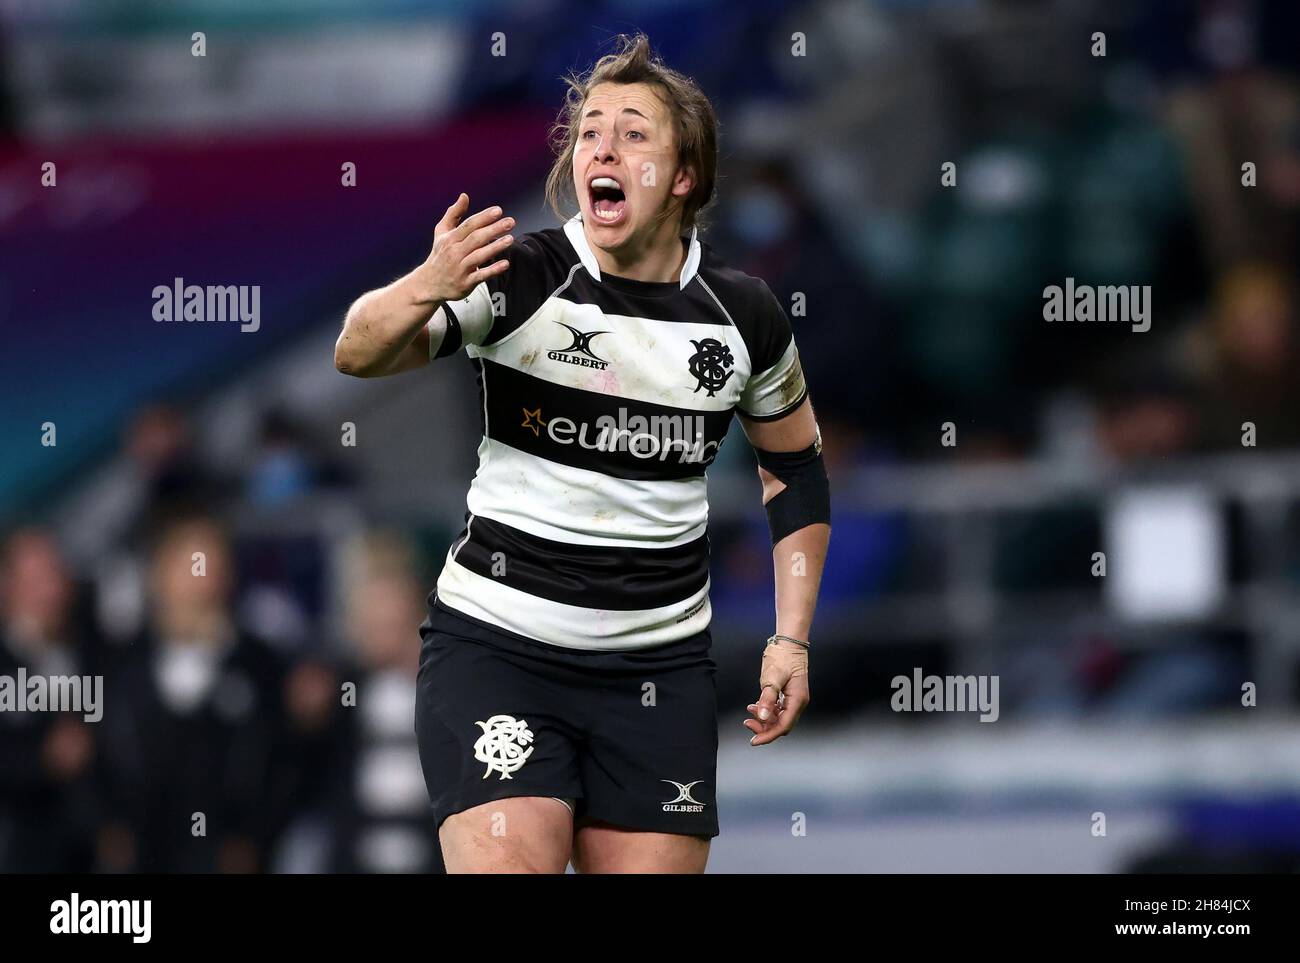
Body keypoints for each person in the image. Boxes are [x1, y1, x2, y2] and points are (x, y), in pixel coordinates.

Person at [335, 34, 831, 873]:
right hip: (500, 650)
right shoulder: (520, 275)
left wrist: (791, 639)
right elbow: (358, 351)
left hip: (658, 671)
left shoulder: (745, 317)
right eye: (590, 130)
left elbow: (797, 468)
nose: (602, 144)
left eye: (634, 132)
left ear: (684, 177)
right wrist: (426, 280)